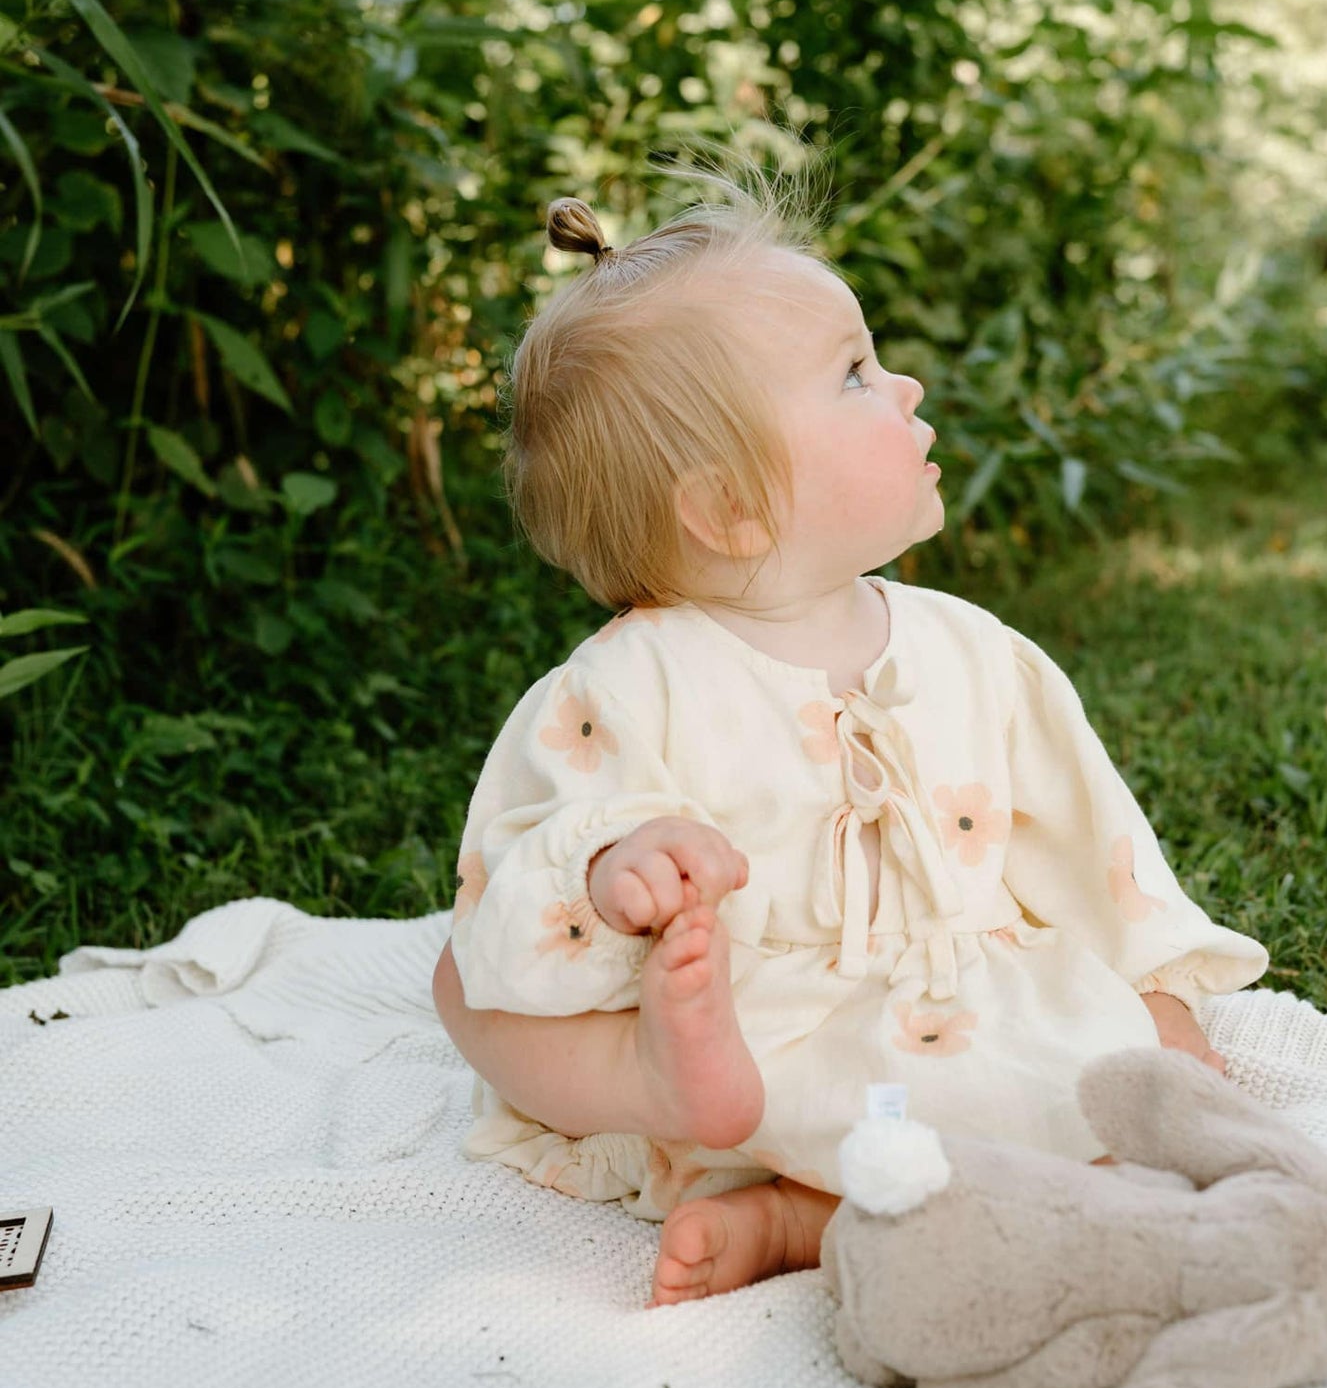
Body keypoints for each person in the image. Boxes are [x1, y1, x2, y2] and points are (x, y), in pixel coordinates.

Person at [431, 165, 1269, 1308]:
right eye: (856, 374)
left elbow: (1087, 850)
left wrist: (1160, 1012)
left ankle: (796, 1217)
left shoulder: (976, 653)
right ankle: (664, 1091)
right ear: (727, 506)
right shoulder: (629, 680)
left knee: (1040, 1120)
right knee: (465, 982)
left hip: (941, 1024)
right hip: (732, 1026)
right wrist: (615, 856)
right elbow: (533, 841)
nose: (906, 385)